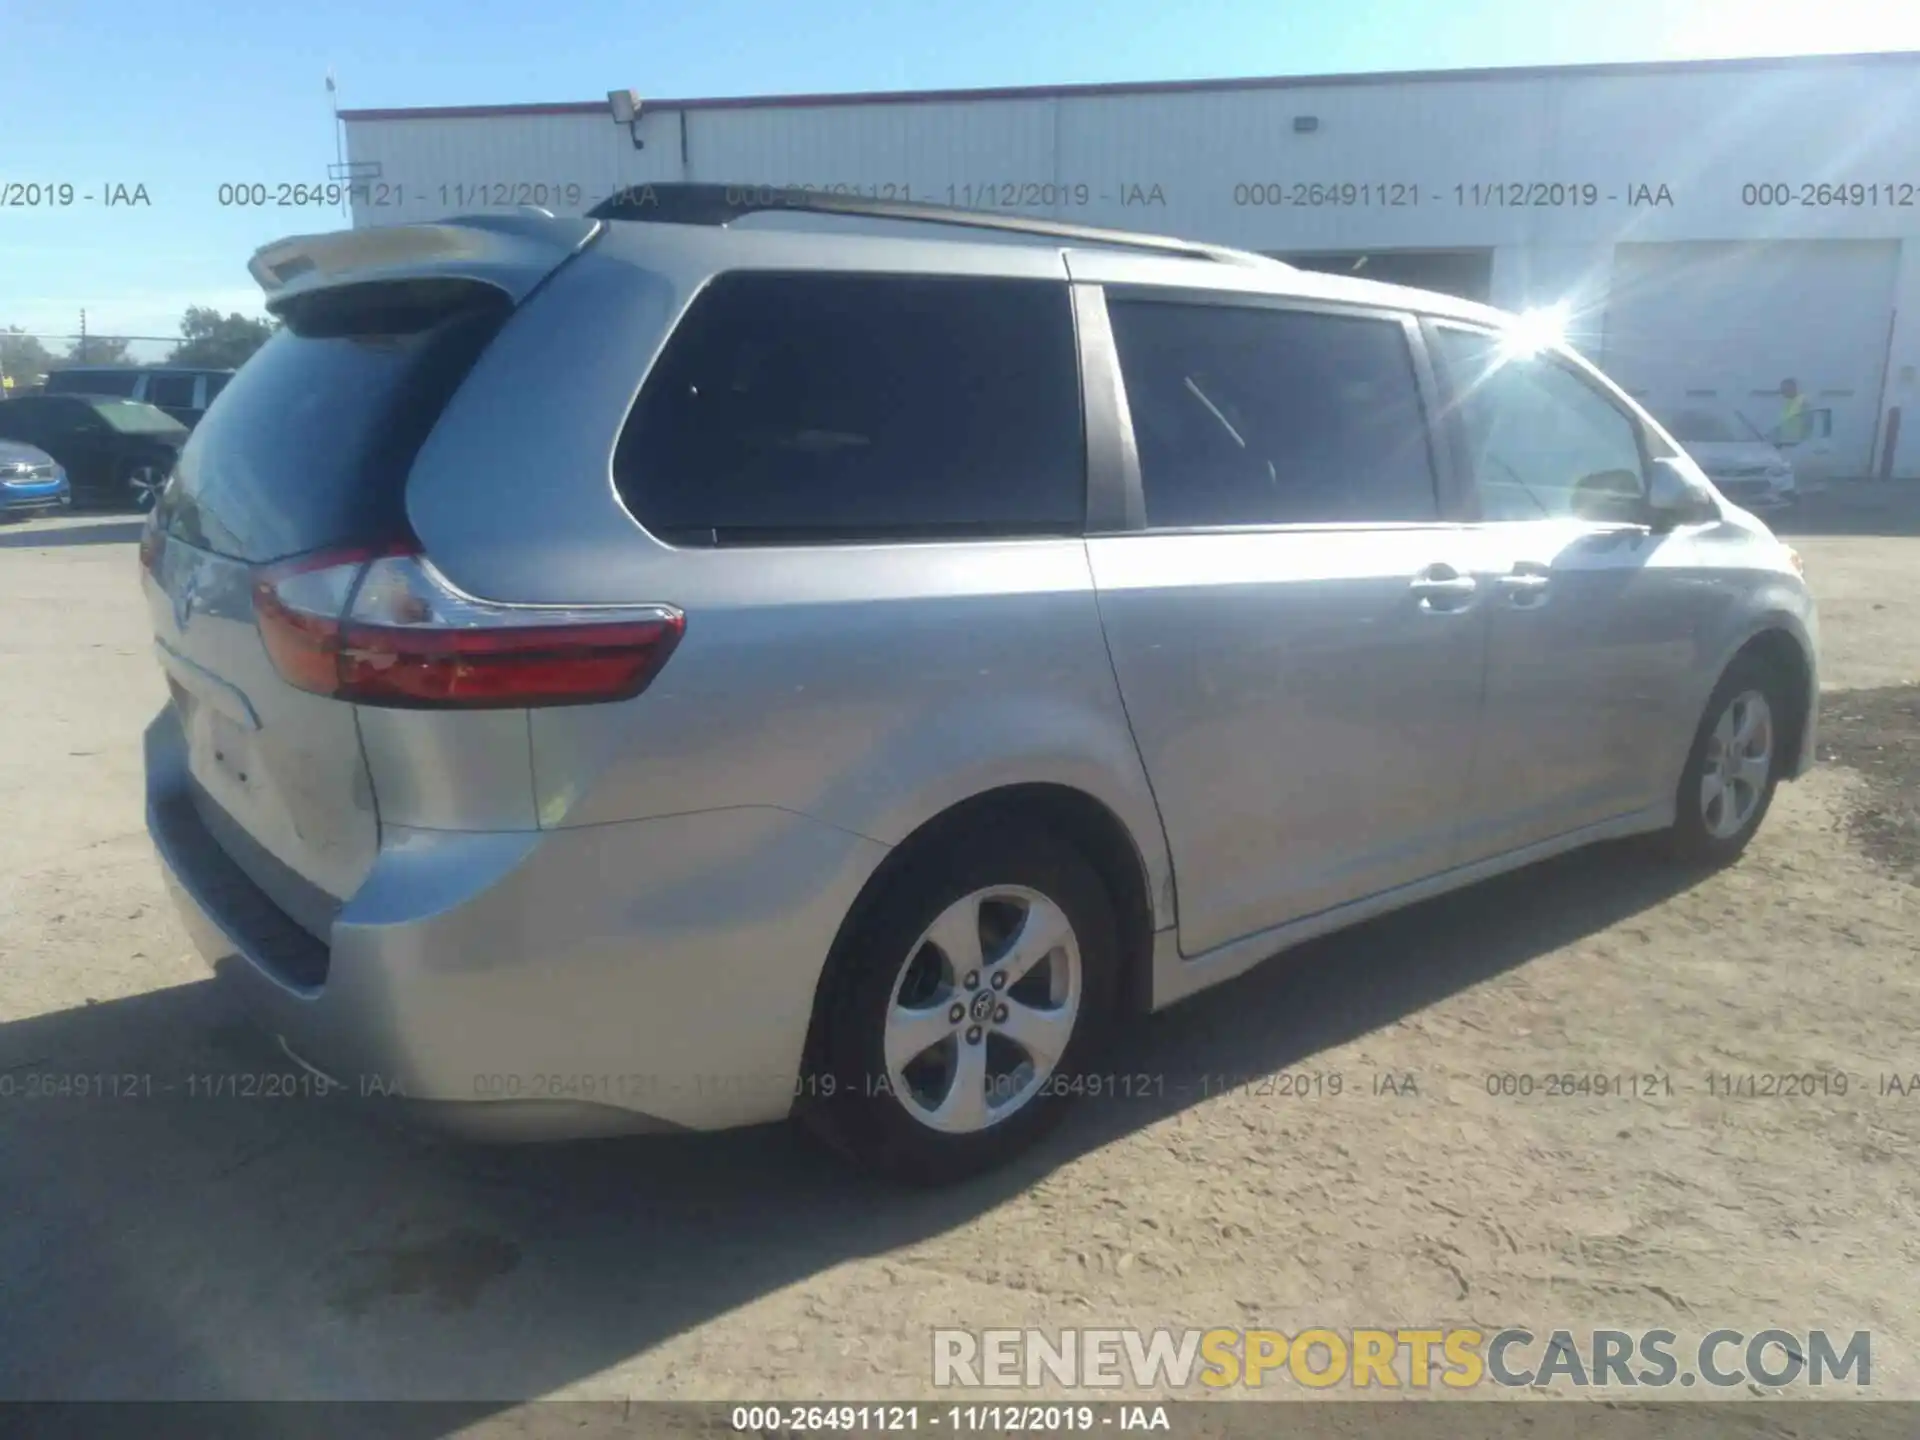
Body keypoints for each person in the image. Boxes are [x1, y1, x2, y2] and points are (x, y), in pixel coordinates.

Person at [1776, 378, 1809, 445]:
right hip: (1788, 441)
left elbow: (1808, 423)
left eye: (1784, 389)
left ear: (1792, 388)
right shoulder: (1789, 402)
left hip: (1799, 442)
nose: (1782, 392)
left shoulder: (1803, 402)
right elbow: (1785, 421)